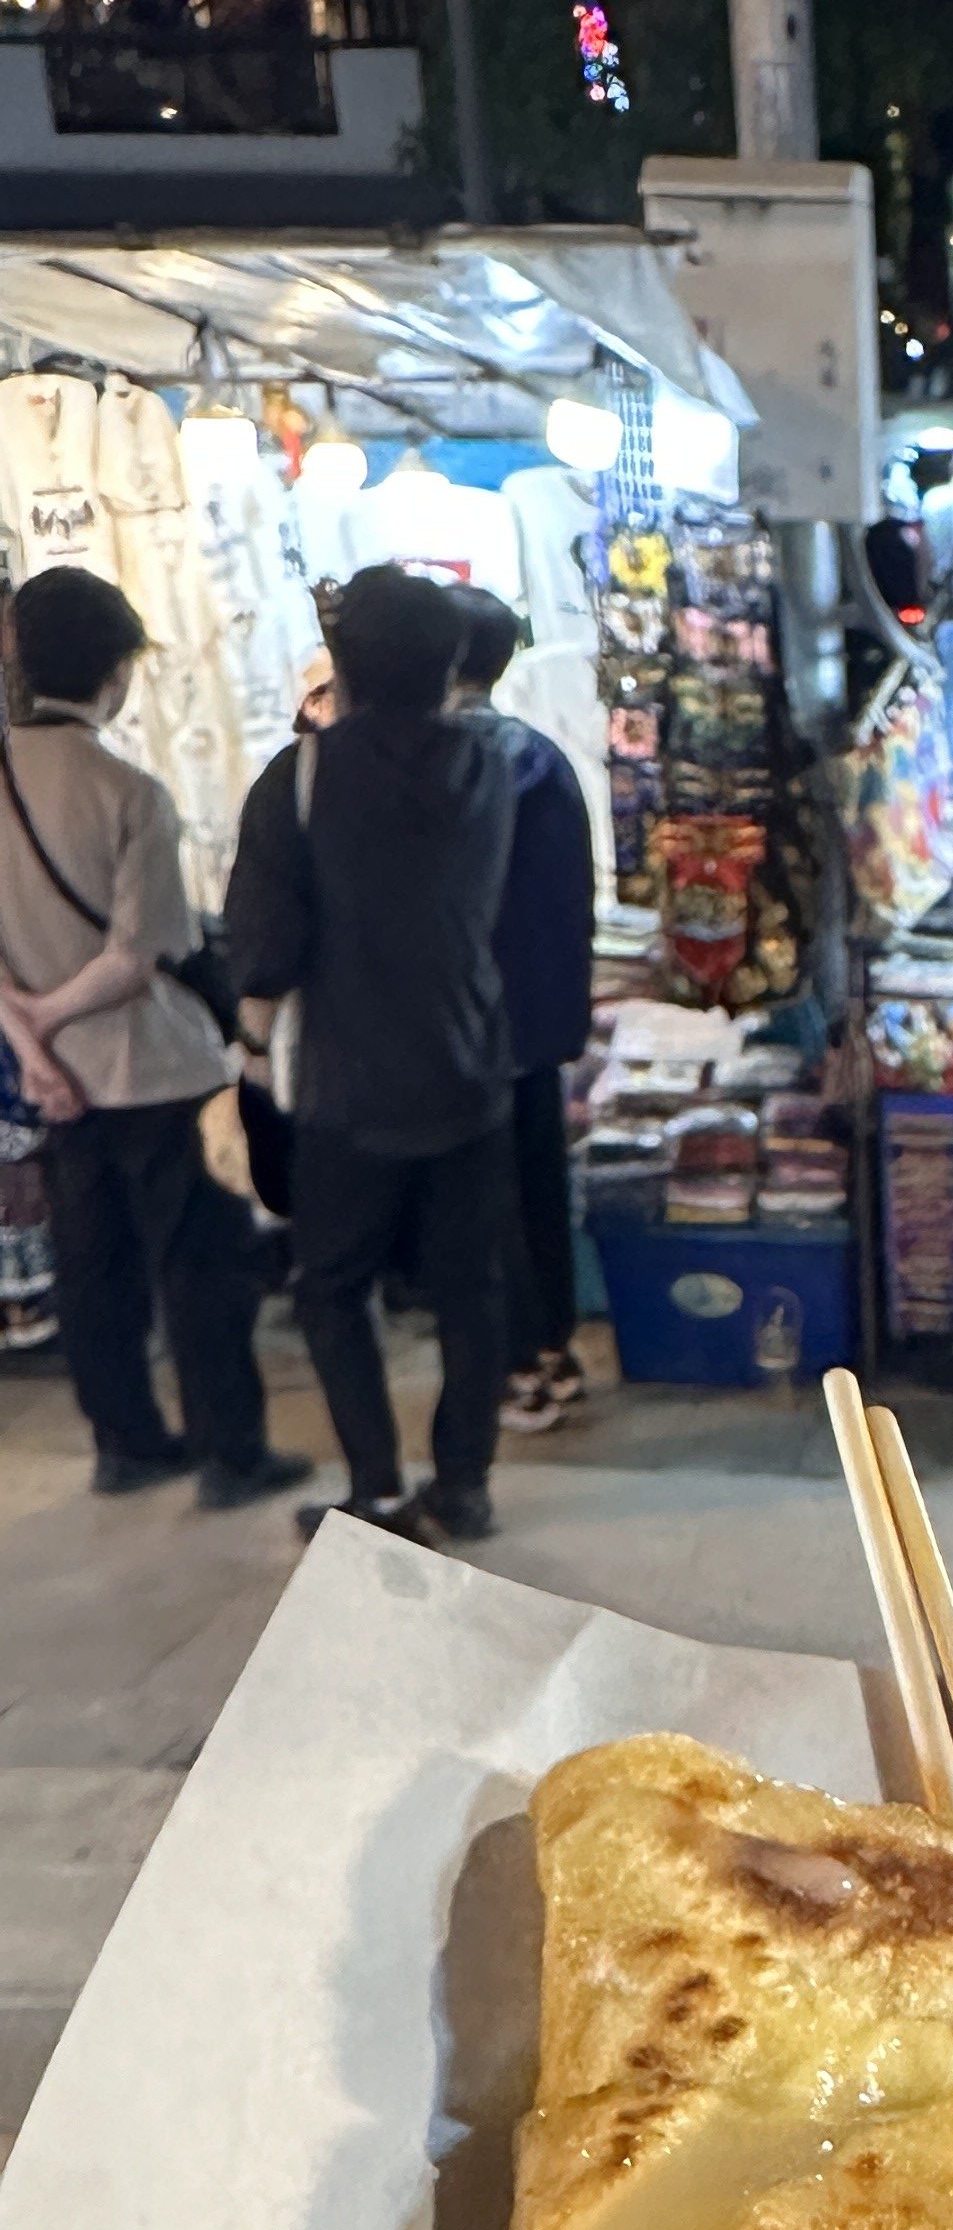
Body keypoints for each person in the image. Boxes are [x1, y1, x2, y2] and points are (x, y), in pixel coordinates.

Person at [0, 565, 304, 1507]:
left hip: (60, 1083)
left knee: (93, 1270)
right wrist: (51, 1018)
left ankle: (125, 1443)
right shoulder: (130, 792)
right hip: (157, 1068)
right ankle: (228, 1456)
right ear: (117, 671)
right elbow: (140, 955)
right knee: (200, 1267)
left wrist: (33, 1044)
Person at [226, 563, 516, 1543]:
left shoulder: (298, 778)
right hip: (471, 1064)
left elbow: (263, 948)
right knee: (470, 1290)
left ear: (340, 667)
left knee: (334, 1286)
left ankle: (381, 1490)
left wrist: (247, 1051)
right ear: (449, 667)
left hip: (346, 1083)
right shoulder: (491, 766)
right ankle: (465, 1481)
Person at [448, 586, 596, 1437]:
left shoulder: (461, 761)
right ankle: (552, 1353)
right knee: (538, 1184)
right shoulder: (536, 752)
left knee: (489, 1195)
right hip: (537, 1020)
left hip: (475, 1023)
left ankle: (520, 1366)